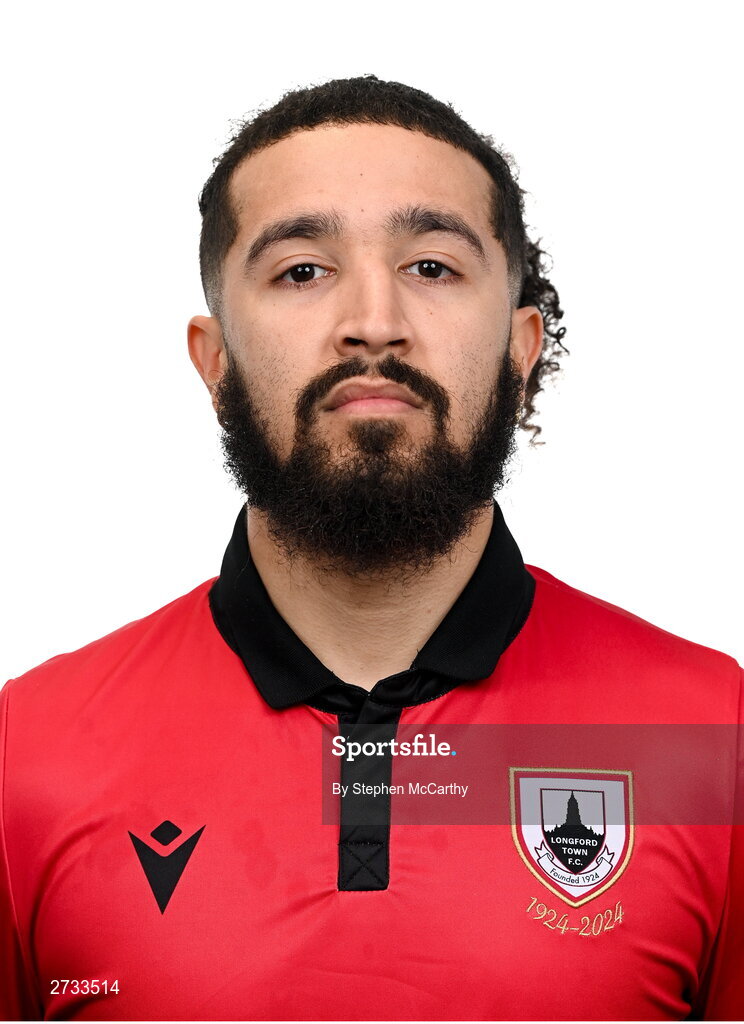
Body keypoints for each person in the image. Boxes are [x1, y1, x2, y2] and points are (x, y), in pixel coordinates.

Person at [1, 75, 741, 1021]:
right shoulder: (27, 756)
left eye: (432, 266)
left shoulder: (715, 740)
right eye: (302, 270)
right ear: (214, 360)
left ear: (522, 349)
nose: (374, 322)